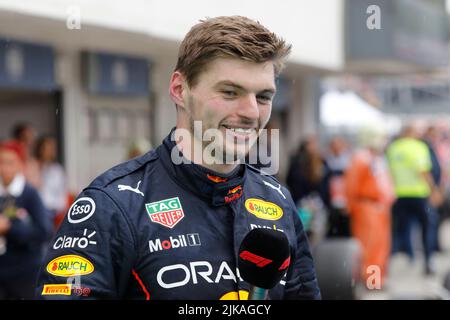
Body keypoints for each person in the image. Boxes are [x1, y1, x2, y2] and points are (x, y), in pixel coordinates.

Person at [36, 16, 321, 300]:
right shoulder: (111, 205)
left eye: (263, 97)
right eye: (230, 92)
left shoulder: (277, 200)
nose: (250, 113)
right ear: (179, 90)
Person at [0, 140, 52, 299]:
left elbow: (44, 231)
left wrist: (10, 229)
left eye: (10, 162)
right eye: (1, 162)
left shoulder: (29, 194)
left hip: (25, 270)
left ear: (21, 165)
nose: (4, 167)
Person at [386, 124, 439, 275]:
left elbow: (389, 171)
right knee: (427, 228)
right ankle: (428, 262)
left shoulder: (393, 148)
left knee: (398, 230)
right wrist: (434, 190)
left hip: (398, 195)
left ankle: (388, 264)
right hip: (419, 194)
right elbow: (422, 171)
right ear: (412, 133)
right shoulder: (418, 147)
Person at [345, 128, 394, 286]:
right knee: (370, 245)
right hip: (367, 206)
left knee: (381, 245)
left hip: (380, 207)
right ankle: (371, 281)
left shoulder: (377, 158)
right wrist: (351, 207)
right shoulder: (361, 159)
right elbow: (352, 186)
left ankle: (377, 279)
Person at [34, 135, 68, 229]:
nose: (49, 151)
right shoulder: (33, 166)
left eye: (52, 148)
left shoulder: (57, 170)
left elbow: (61, 195)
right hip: (36, 208)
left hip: (52, 210)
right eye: (46, 148)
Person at [11, 123, 41, 188]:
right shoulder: (12, 158)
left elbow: (38, 185)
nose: (32, 137)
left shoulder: (33, 162)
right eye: (29, 134)